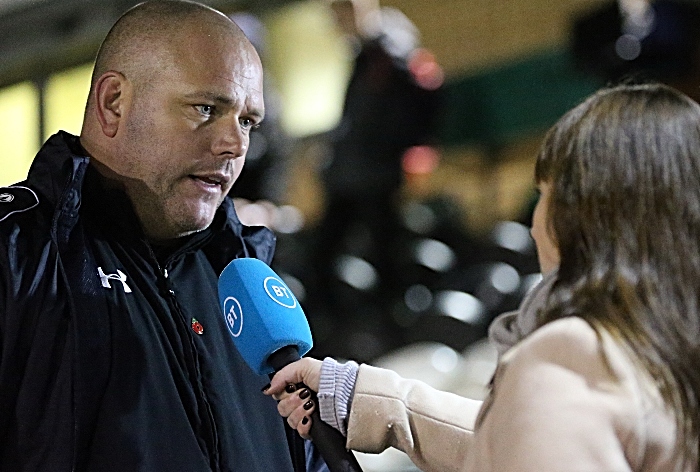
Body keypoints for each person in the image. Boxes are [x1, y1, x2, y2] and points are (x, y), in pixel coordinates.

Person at [266, 82, 700, 471]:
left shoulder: (571, 357)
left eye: (545, 196)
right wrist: (358, 395)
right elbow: (509, 446)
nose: (534, 224)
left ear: (585, 214)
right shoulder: (662, 344)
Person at [0, 1, 321, 470]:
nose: (234, 145)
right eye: (206, 109)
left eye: (247, 121)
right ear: (114, 103)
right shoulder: (18, 256)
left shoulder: (249, 282)